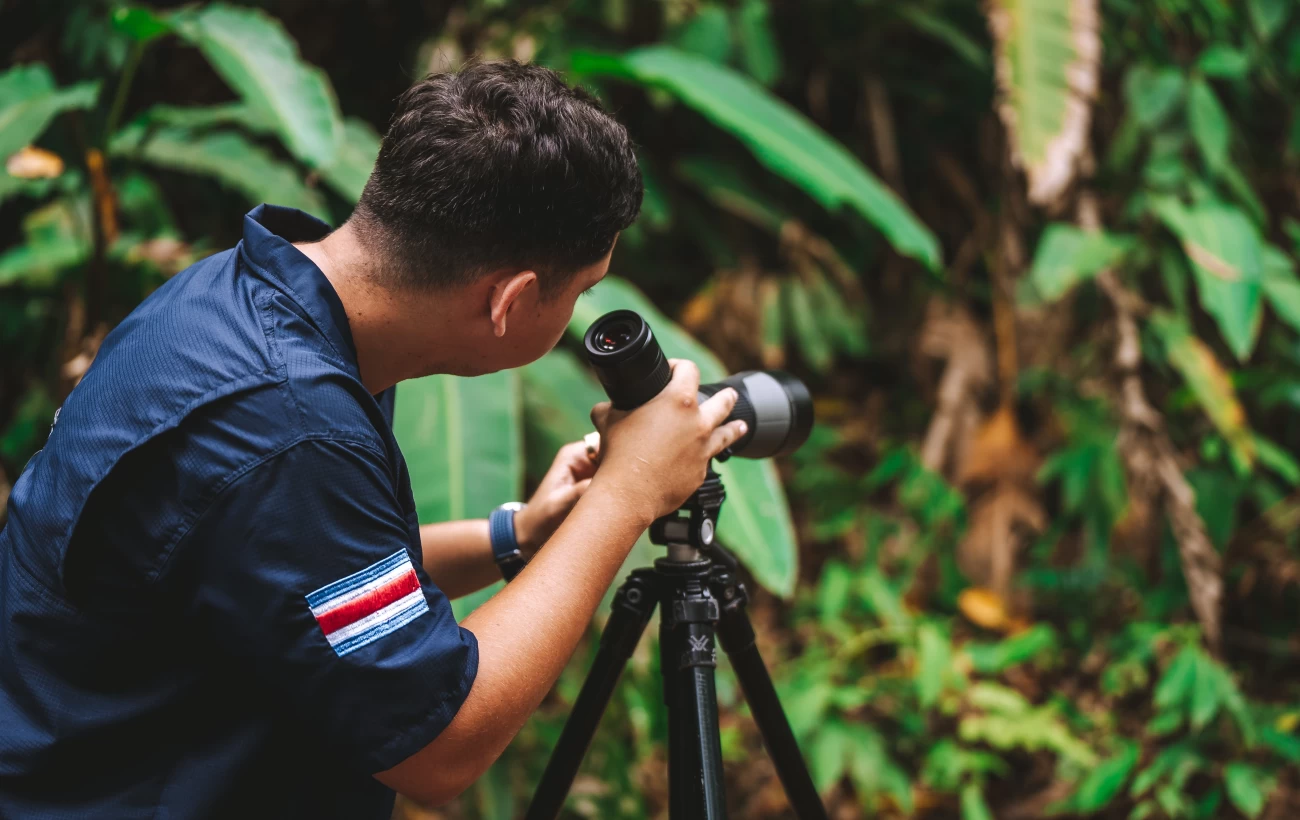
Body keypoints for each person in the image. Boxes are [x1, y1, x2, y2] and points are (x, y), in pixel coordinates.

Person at [0, 60, 746, 818]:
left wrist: (517, 535)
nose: (582, 313)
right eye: (582, 292)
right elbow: (438, 743)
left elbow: (304, 581)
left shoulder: (235, 301)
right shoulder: (291, 429)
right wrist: (624, 498)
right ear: (510, 300)